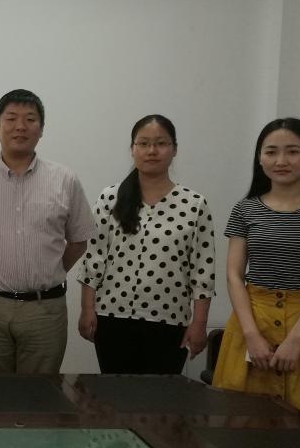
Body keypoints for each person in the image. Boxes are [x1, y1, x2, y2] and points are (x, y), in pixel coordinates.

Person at [0, 89, 96, 374]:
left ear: (41, 129)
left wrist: (51, 271)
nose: (20, 126)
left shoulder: (64, 179)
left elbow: (79, 240)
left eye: (30, 119)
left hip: (45, 311)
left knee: (40, 395)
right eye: (11, 118)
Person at [213, 118, 300, 428]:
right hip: (253, 320)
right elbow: (233, 276)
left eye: (292, 151)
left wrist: (296, 339)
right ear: (260, 157)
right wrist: (251, 336)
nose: (281, 161)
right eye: (271, 152)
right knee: (242, 425)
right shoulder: (245, 209)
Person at [77, 115, 216, 374]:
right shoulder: (110, 198)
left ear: (174, 149)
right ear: (132, 149)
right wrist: (87, 309)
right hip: (112, 317)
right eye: (143, 143)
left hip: (170, 321)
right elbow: (93, 258)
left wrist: (199, 323)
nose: (152, 151)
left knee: (161, 395)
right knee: (115, 393)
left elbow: (203, 271)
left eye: (161, 143)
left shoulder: (194, 204)